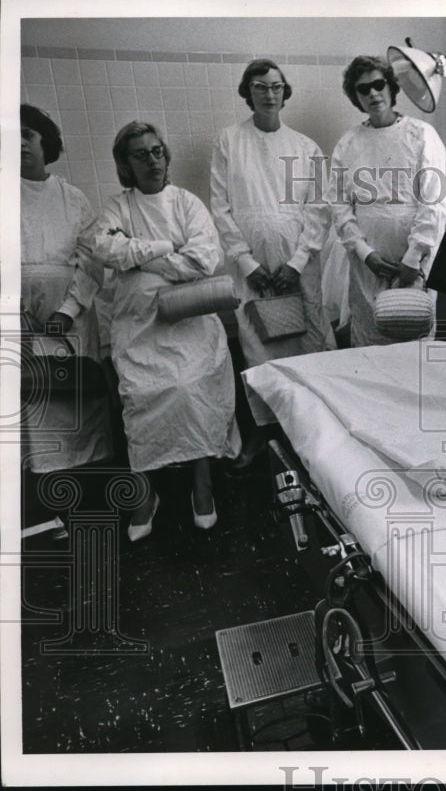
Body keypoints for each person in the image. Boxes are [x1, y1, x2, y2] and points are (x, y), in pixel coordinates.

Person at [94, 121, 241, 541]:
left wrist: (136, 256)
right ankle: (144, 494)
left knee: (189, 385)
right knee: (140, 393)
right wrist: (162, 248)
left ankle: (202, 484)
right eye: (140, 154)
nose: (152, 161)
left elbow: (202, 262)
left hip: (189, 319)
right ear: (125, 164)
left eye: (158, 151)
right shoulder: (117, 206)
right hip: (137, 324)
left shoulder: (187, 203)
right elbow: (103, 247)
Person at [210, 59, 334, 467]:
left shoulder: (305, 147)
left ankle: (314, 431)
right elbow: (221, 208)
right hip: (253, 268)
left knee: (307, 341)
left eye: (277, 87)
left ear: (285, 92)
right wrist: (247, 264)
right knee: (259, 348)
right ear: (248, 92)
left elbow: (318, 210)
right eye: (260, 87)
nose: (269, 94)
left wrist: (296, 263)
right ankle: (264, 434)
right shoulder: (229, 141)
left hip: (298, 265)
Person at [20, 105, 113, 534]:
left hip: (71, 317)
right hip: (20, 319)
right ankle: (48, 510)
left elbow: (92, 261)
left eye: (27, 135)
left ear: (46, 143)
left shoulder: (72, 197)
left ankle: (91, 501)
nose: (18, 143)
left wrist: (67, 311)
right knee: (36, 408)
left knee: (78, 398)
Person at [327, 55, 446, 348]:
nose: (372, 93)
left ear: (391, 88)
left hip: (413, 261)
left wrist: (413, 255)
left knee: (412, 338)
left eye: (378, 84)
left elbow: (434, 201)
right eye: (363, 89)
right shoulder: (349, 143)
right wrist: (364, 251)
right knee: (371, 339)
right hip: (367, 263)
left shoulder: (421, 134)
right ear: (356, 97)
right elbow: (339, 204)